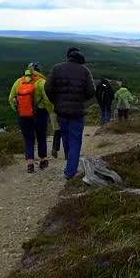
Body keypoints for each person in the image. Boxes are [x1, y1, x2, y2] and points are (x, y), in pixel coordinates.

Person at [45, 47, 96, 179]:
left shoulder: (57, 68)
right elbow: (91, 90)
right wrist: (81, 99)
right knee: (75, 140)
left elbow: (48, 87)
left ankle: (70, 163)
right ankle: (70, 171)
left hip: (61, 111)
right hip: (77, 112)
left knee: (66, 137)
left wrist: (55, 101)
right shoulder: (85, 71)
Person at [8, 62, 53, 172]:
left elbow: (11, 98)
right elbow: (48, 99)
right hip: (40, 113)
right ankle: (42, 161)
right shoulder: (42, 82)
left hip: (23, 114)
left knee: (28, 139)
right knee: (41, 136)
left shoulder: (19, 81)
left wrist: (18, 110)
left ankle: (30, 164)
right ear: (39, 70)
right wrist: (50, 110)